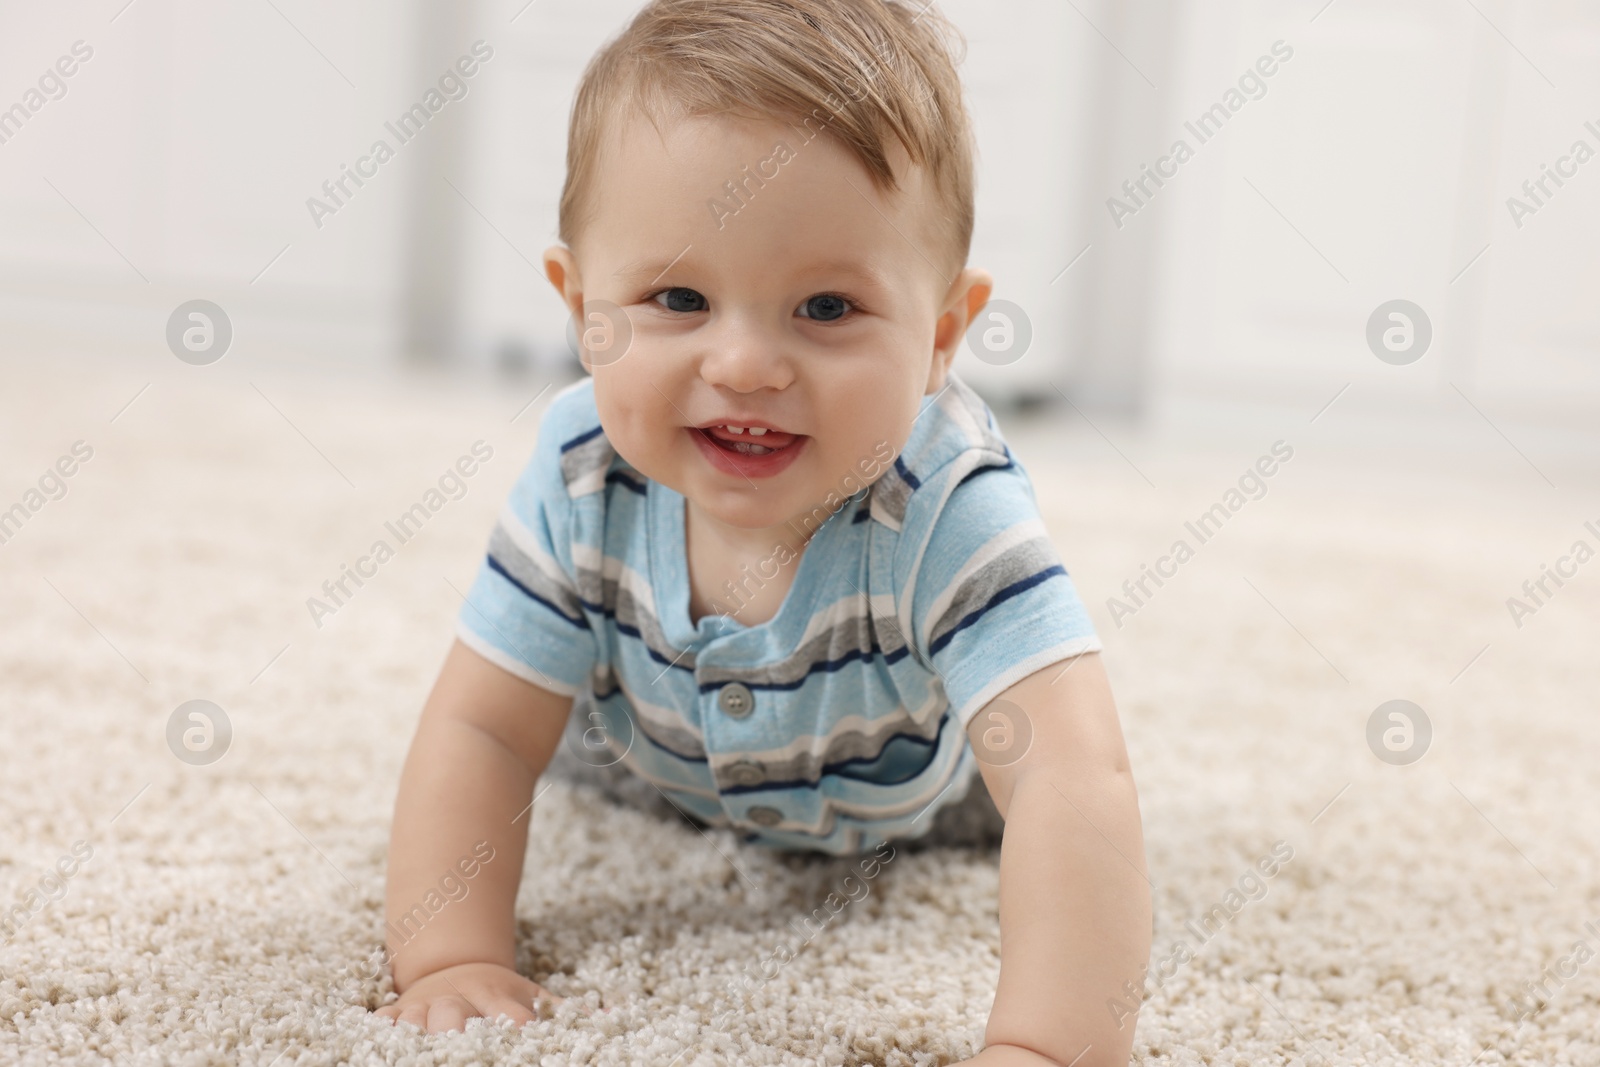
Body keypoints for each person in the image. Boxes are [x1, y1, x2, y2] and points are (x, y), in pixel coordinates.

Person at [377, 2, 1150, 1062]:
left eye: (826, 308)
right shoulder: (578, 472)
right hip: (645, 742)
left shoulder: (947, 503)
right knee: (553, 741)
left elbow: (1072, 770)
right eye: (679, 296)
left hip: (903, 775)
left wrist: (1051, 1042)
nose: (744, 364)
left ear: (939, 340)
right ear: (581, 308)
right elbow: (484, 729)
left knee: (1029, 792)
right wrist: (446, 954)